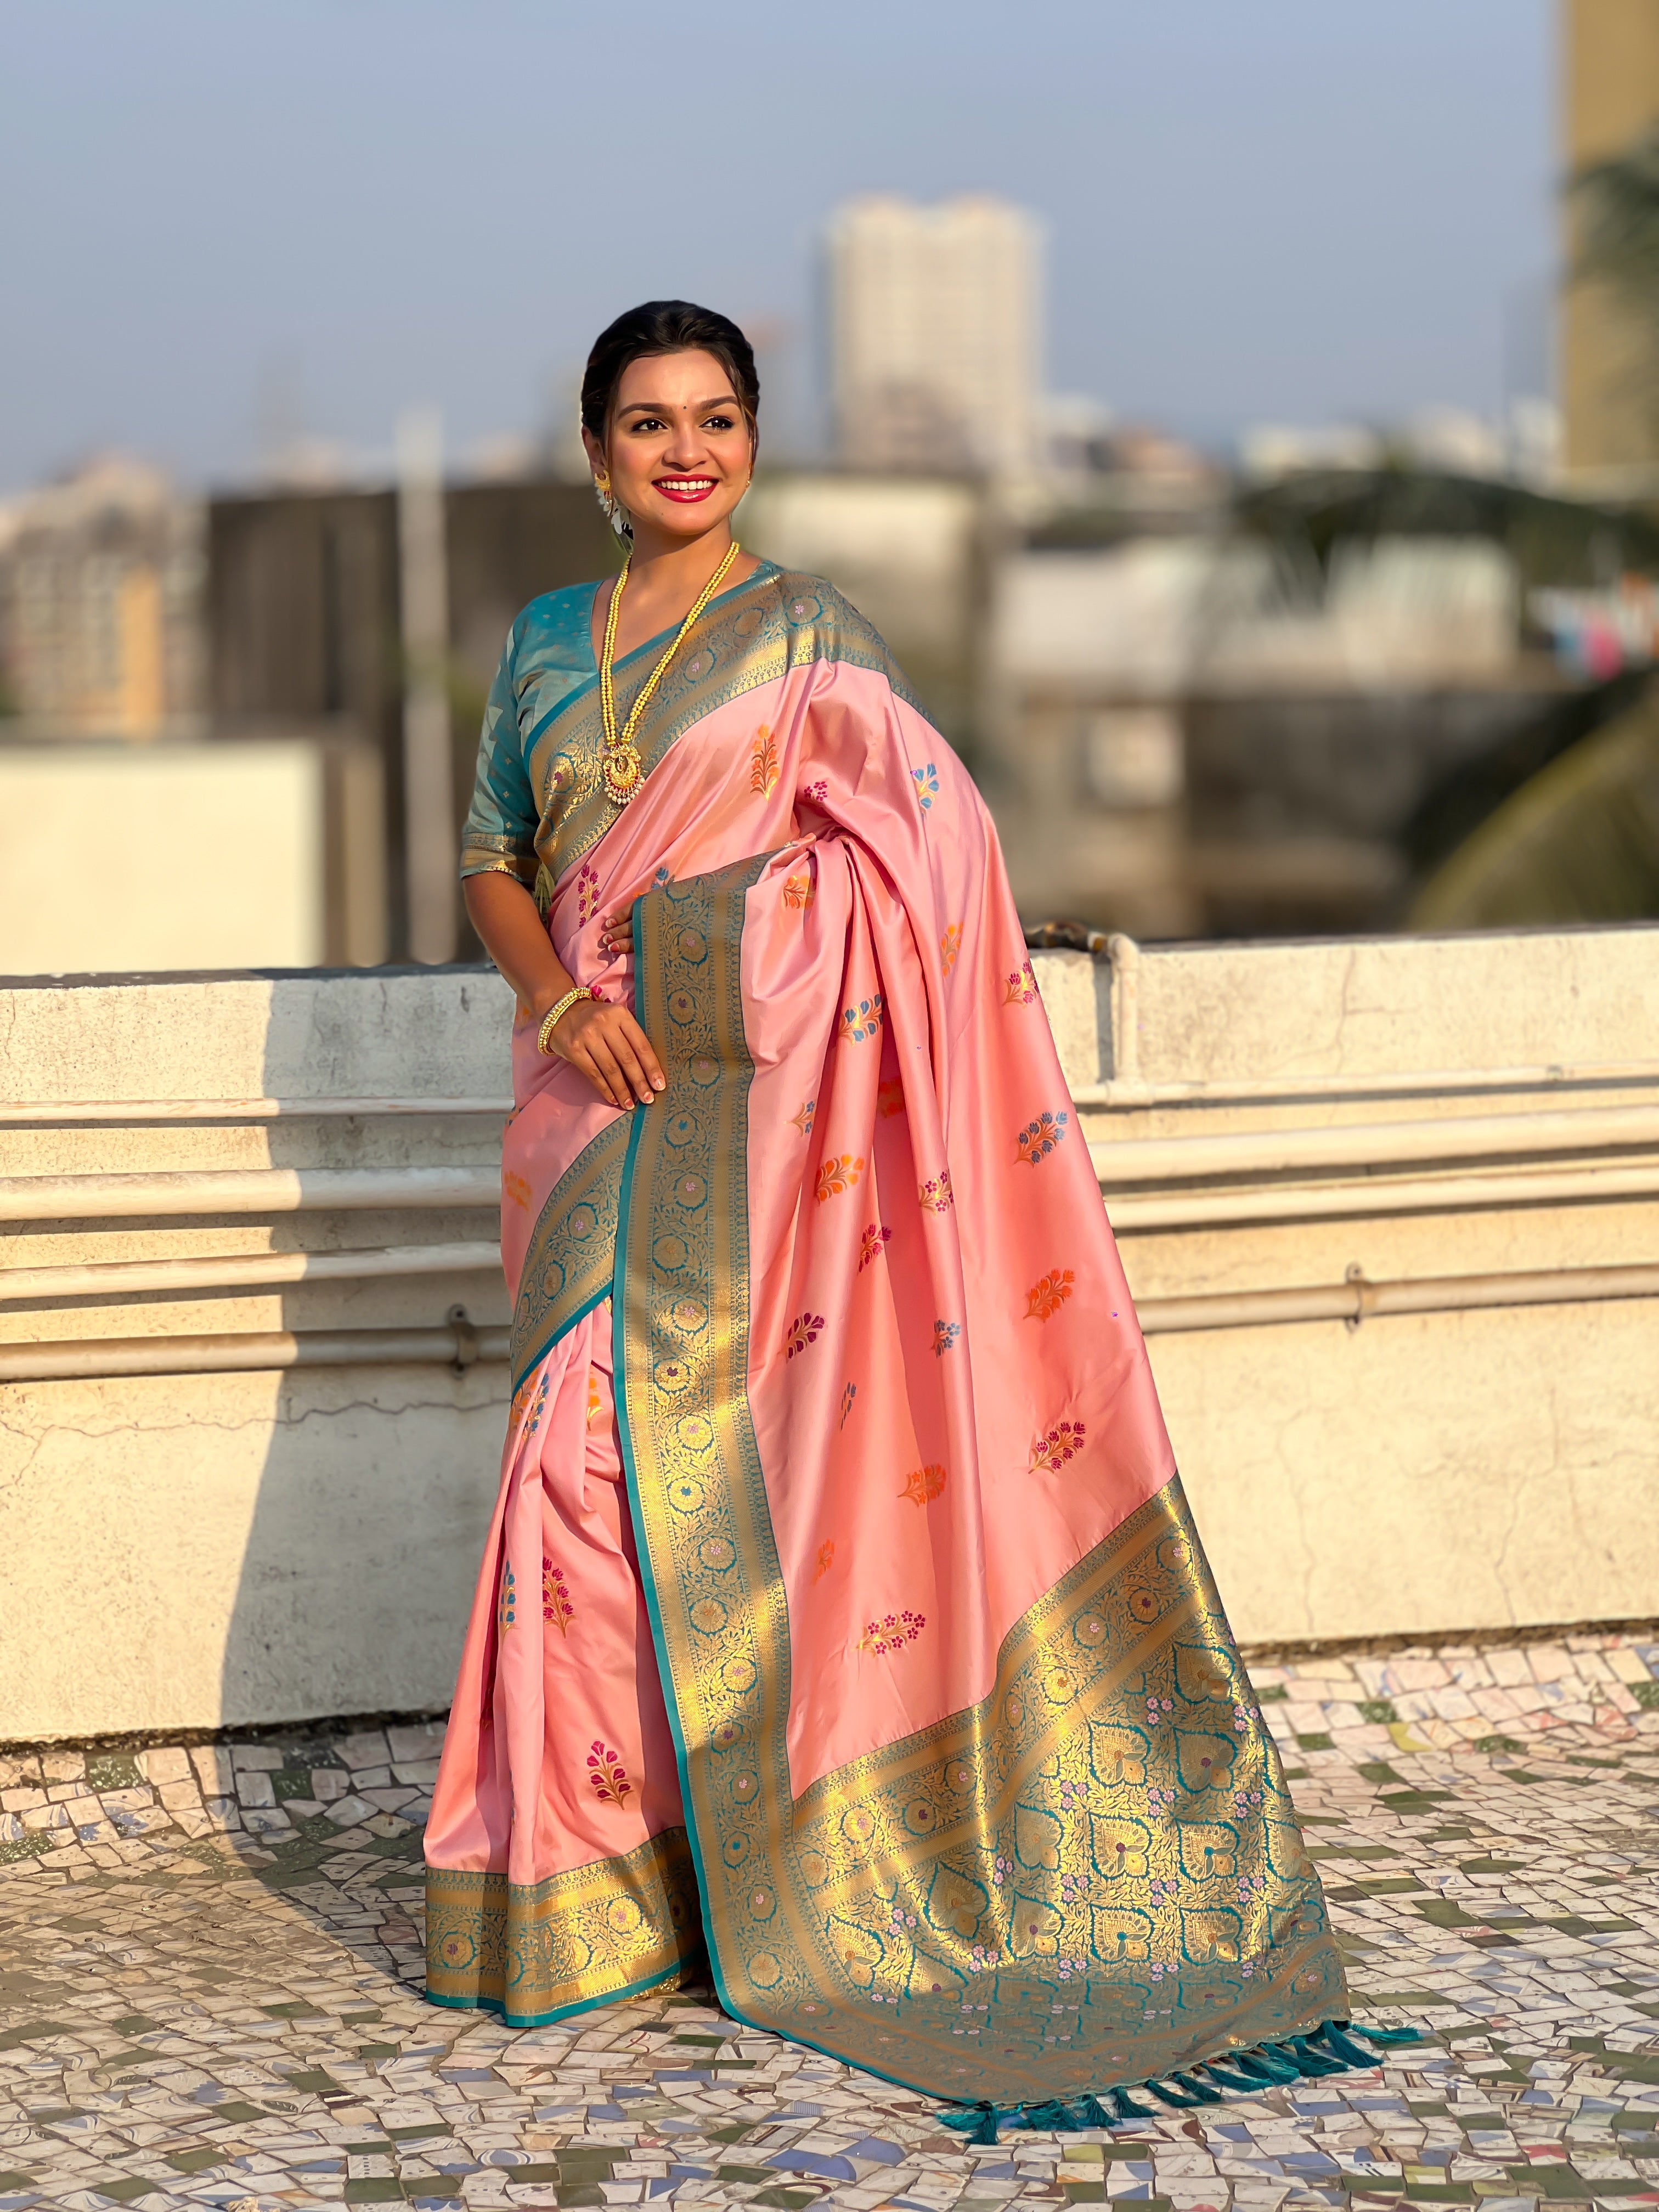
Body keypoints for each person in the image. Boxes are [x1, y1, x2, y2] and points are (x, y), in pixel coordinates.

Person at [422, 301, 1371, 2123]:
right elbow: (492, 853)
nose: (685, 450)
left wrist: (726, 952)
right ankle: (587, 1881)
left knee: (689, 1468)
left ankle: (743, 1868)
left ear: (753, 441)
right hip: (579, 1103)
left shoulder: (812, 640)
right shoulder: (542, 641)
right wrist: (559, 1000)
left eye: (716, 418)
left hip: (762, 1107)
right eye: (649, 422)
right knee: (570, 1460)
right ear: (596, 451)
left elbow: (936, 860)